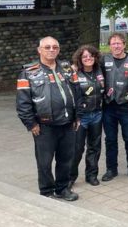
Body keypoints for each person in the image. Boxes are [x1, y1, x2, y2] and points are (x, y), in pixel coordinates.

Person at [16, 36, 80, 201]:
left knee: (65, 160)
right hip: (44, 127)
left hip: (67, 124)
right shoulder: (28, 73)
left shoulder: (67, 69)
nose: (52, 50)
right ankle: (46, 191)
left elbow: (77, 93)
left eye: (55, 47)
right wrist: (31, 124)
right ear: (39, 50)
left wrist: (77, 116)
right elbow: (23, 103)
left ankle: (62, 189)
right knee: (44, 162)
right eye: (47, 47)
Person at [102, 32, 128, 182]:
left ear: (124, 44)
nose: (116, 46)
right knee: (110, 140)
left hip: (127, 107)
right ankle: (111, 169)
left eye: (119, 43)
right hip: (109, 106)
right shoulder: (103, 60)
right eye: (113, 43)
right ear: (109, 46)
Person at [70, 44, 104, 187]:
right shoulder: (74, 73)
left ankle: (91, 175)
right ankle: (70, 177)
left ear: (95, 57)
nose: (88, 58)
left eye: (91, 56)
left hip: (97, 114)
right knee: (77, 149)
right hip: (81, 117)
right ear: (79, 59)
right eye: (84, 56)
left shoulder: (100, 70)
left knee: (95, 147)